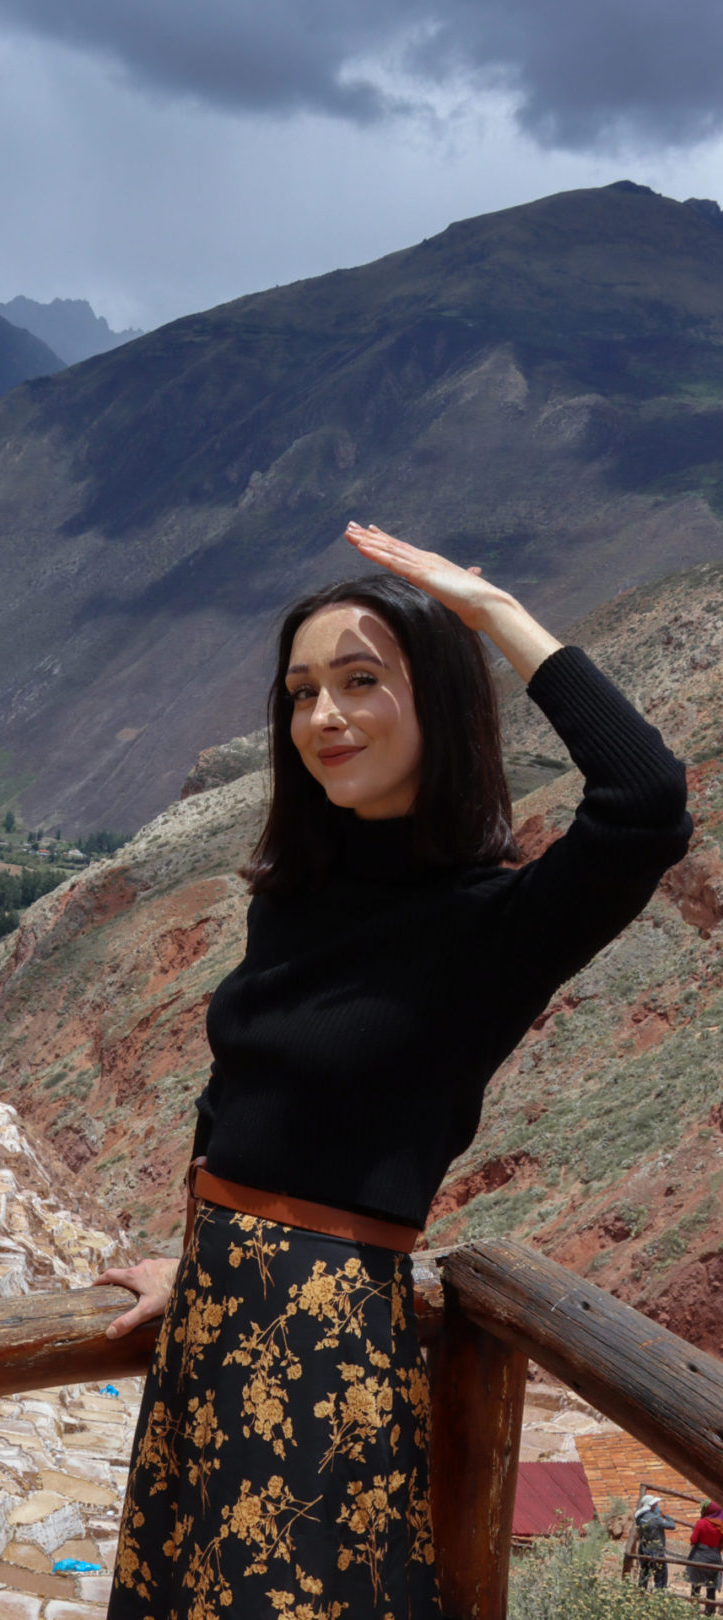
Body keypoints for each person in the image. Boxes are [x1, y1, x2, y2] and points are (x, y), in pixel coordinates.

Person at [96, 524, 692, 1620]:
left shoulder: (493, 924)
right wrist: (197, 1263)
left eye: (362, 681)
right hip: (213, 1324)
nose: (324, 716)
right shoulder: (294, 890)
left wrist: (490, 610)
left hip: (323, 1350)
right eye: (302, 690)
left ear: (442, 706)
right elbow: (237, 1101)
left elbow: (648, 802)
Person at [635, 1494, 677, 1589]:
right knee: (660, 1576)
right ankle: (658, 1595)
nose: (657, 1506)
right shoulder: (656, 1519)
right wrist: (666, 1516)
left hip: (644, 1549)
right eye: (656, 1505)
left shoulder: (640, 1518)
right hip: (656, 1551)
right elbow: (671, 1525)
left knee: (644, 1572)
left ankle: (641, 1594)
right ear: (652, 1506)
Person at [689, 1501, 723, 1613]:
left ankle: (693, 1607)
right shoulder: (721, 1525)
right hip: (714, 1557)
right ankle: (710, 1609)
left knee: (696, 1583)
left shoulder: (701, 1523)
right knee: (711, 1585)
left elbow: (693, 1539)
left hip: (700, 1555)